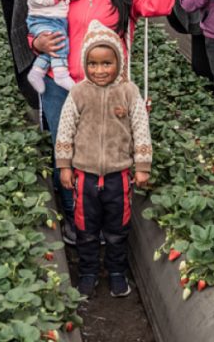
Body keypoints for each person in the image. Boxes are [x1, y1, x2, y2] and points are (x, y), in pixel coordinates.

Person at [32, 0, 173, 245]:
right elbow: (39, 18)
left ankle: (109, 226)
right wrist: (35, 41)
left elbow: (160, 6)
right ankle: (75, 221)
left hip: (110, 90)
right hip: (61, 85)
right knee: (65, 152)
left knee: (108, 154)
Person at [56, 20, 152, 299]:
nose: (100, 70)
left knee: (117, 228)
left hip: (118, 176)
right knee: (85, 228)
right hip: (84, 177)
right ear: (85, 64)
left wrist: (142, 165)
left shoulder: (129, 92)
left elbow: (140, 129)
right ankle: (87, 273)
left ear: (118, 62)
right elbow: (65, 129)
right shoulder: (78, 93)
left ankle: (116, 272)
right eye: (94, 64)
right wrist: (65, 165)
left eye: (107, 63)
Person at [25, 0, 84, 94]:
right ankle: (61, 74)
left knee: (51, 48)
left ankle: (37, 72)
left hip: (59, 21)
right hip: (41, 19)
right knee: (59, 41)